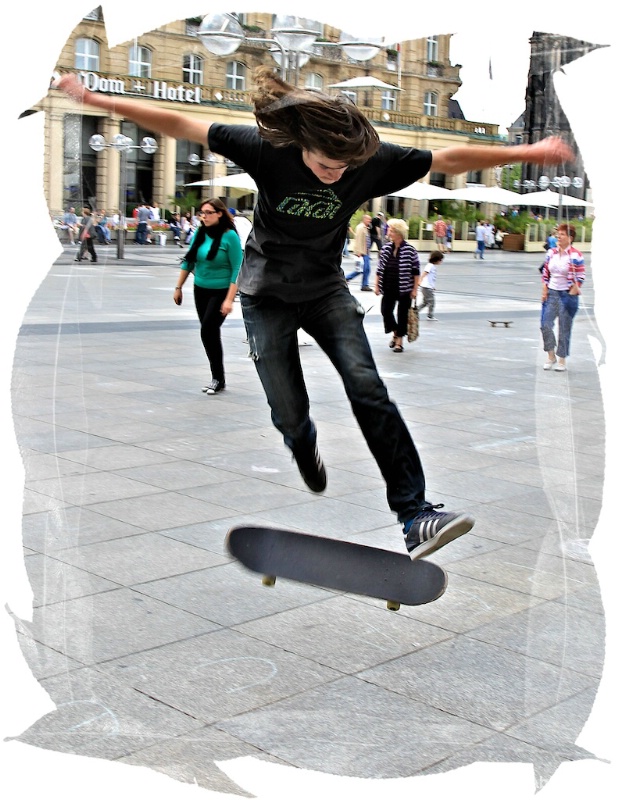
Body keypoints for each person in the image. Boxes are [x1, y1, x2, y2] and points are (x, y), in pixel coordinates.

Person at [56, 67, 574, 561]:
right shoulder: (265, 147)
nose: (335, 176)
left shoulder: (368, 158)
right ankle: (301, 442)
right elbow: (177, 122)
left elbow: (450, 159)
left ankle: (414, 515)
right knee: (289, 409)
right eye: (326, 165)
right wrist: (95, 99)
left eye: (343, 169)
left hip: (326, 290)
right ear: (301, 144)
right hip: (265, 294)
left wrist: (527, 150)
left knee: (368, 387)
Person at [173, 198, 242, 394]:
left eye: (208, 212)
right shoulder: (199, 234)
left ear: (219, 213)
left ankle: (217, 379)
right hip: (200, 289)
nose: (204, 216)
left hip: (221, 291)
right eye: (202, 212)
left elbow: (238, 268)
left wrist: (229, 299)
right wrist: (178, 287)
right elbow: (189, 261)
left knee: (208, 330)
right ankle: (218, 378)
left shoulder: (230, 237)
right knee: (209, 333)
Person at [540, 223, 585, 372]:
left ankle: (562, 360)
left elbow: (580, 276)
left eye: (562, 234)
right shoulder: (551, 253)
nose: (558, 236)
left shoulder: (576, 255)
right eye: (558, 234)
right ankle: (550, 355)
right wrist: (544, 289)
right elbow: (545, 272)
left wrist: (573, 290)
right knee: (545, 324)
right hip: (552, 292)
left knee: (564, 328)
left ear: (570, 238)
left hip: (567, 294)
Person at [374, 218, 420, 352]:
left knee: (402, 314)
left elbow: (415, 271)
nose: (389, 232)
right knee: (386, 311)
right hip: (388, 287)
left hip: (405, 288)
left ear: (399, 233)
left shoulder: (410, 250)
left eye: (391, 230)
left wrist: (415, 289)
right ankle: (395, 331)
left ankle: (399, 342)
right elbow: (379, 269)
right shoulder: (386, 249)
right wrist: (376, 285)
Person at [346, 213, 372, 290]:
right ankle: (364, 284)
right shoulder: (361, 228)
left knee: (364, 269)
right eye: (368, 219)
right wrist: (358, 252)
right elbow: (359, 240)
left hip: (365, 252)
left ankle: (364, 284)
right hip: (362, 252)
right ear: (364, 219)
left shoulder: (365, 228)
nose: (369, 221)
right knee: (363, 269)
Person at [418, 250, 443, 320]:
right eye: (440, 260)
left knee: (425, 302)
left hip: (427, 287)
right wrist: (420, 280)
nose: (441, 262)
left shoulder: (432, 266)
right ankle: (430, 316)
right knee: (432, 302)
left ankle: (415, 311)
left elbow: (431, 279)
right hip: (426, 287)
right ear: (436, 260)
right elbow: (424, 273)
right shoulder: (430, 266)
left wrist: (432, 287)